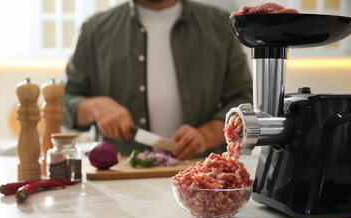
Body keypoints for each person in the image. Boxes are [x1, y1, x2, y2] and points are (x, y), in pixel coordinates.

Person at [62, 0, 252, 160]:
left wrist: (205, 135)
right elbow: (62, 104)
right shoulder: (95, 30)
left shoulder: (220, 25)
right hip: (120, 182)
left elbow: (245, 100)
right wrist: (95, 107)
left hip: (203, 181)